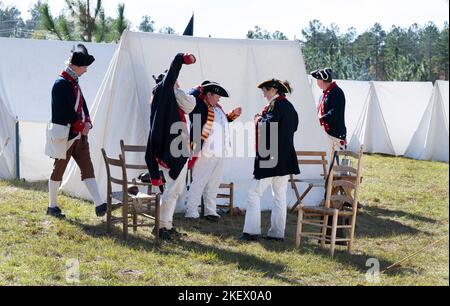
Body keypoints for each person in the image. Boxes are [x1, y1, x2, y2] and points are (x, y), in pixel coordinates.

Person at [47, 44, 107, 219]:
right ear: (76, 66)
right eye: (84, 66)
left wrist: (87, 121)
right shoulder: (61, 84)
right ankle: (52, 206)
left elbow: (82, 104)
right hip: (66, 135)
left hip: (79, 136)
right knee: (58, 170)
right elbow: (64, 111)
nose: (86, 70)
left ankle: (99, 204)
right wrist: (81, 126)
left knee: (87, 168)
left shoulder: (73, 82)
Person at [240, 79, 300, 242]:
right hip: (285, 158)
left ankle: (251, 232)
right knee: (279, 196)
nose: (264, 95)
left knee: (254, 192)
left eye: (266, 91)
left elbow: (267, 126)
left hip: (271, 157)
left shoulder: (277, 106)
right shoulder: (289, 107)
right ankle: (277, 233)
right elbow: (294, 127)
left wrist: (258, 118)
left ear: (273, 90)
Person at [145, 52, 197, 240]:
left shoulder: (162, 99)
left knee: (174, 190)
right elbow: (191, 105)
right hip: (174, 148)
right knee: (173, 190)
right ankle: (160, 227)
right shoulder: (168, 93)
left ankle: (165, 225)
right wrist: (181, 59)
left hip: (173, 147)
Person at [184, 81, 242, 222]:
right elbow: (188, 95)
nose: (219, 99)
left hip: (220, 150)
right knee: (199, 180)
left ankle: (210, 210)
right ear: (208, 94)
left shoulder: (217, 108)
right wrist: (200, 89)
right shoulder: (198, 104)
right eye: (216, 96)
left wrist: (233, 114)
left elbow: (222, 122)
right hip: (205, 149)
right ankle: (191, 211)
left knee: (214, 182)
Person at [311, 68, 347, 150]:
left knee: (333, 161)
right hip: (326, 133)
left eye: (318, 79)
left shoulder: (337, 92)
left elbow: (335, 113)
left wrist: (320, 120)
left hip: (334, 134)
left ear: (322, 80)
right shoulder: (325, 93)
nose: (317, 82)